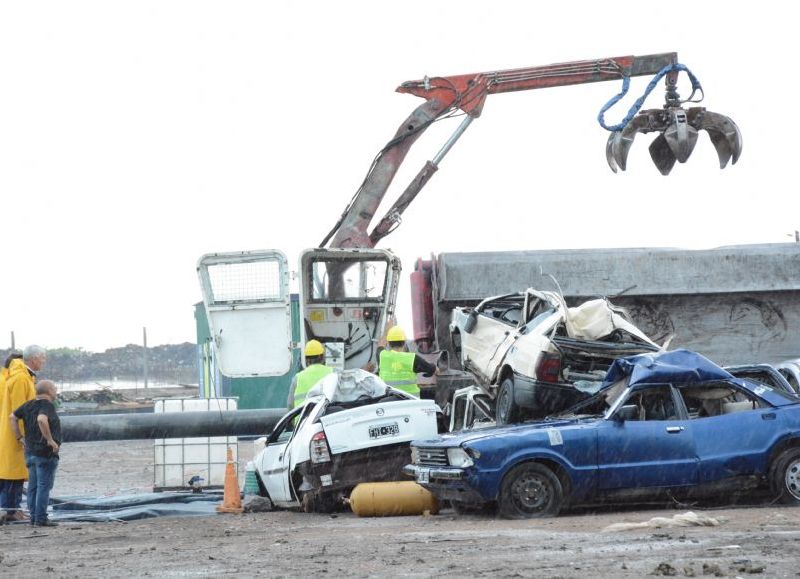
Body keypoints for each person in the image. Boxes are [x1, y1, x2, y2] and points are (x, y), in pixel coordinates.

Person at [0, 345, 46, 522]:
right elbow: (21, 410)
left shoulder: (22, 377)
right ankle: (11, 511)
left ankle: (12, 509)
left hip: (10, 432)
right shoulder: (21, 379)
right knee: (14, 473)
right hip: (15, 434)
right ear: (34, 359)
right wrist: (23, 435)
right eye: (42, 358)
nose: (43, 362)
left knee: (11, 471)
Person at [11, 379, 61, 527]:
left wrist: (19, 437)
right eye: (55, 389)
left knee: (33, 487)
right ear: (50, 392)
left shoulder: (28, 405)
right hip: (45, 454)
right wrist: (50, 440)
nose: (56, 391)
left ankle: (33, 517)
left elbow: (12, 417)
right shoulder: (47, 406)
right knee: (44, 487)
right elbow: (41, 419)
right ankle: (40, 518)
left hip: (30, 453)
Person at [378, 326, 436, 397]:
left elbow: (380, 344)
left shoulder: (382, 356)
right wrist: (434, 368)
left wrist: (387, 328)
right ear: (404, 342)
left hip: (389, 401)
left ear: (389, 343)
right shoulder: (413, 358)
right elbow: (432, 369)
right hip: (410, 402)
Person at [286, 340, 333, 409]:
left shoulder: (298, 378)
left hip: (303, 419)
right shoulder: (333, 373)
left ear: (306, 359)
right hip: (326, 418)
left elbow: (290, 405)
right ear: (322, 357)